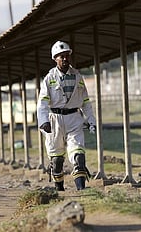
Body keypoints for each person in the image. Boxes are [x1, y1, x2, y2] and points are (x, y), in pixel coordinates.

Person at [37, 41, 96, 191]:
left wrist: (91, 120)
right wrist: (43, 121)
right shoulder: (49, 78)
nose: (64, 59)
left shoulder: (77, 77)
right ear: (55, 58)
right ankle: (60, 189)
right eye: (61, 57)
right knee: (56, 159)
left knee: (78, 155)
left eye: (66, 56)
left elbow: (86, 102)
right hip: (54, 120)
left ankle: (81, 190)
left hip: (74, 118)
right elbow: (42, 103)